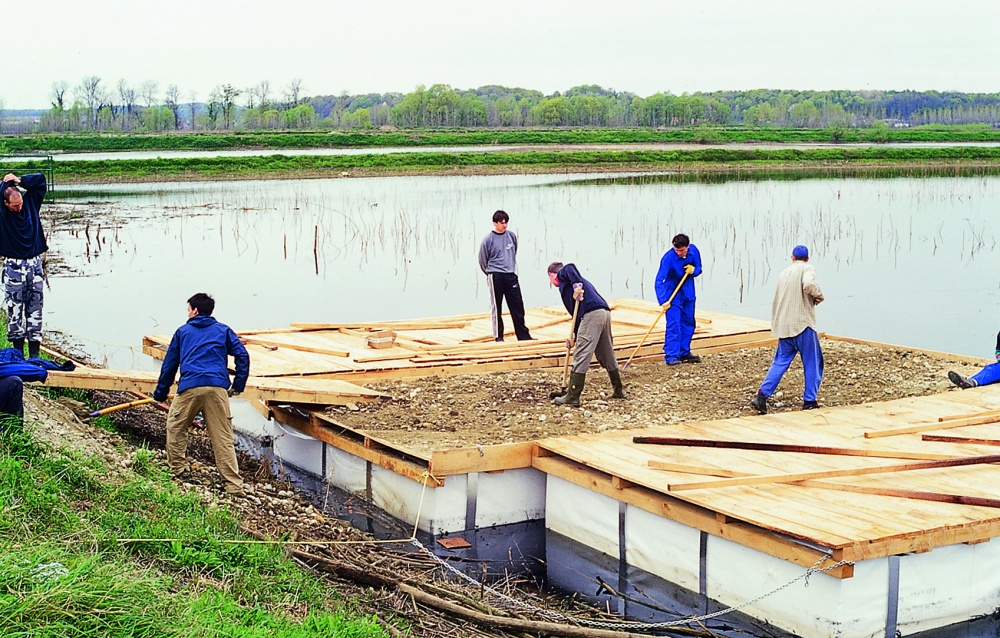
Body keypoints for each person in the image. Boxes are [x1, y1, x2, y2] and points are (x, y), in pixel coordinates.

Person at [153, 293, 250, 498]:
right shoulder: (223, 330)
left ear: (195, 310)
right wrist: (238, 385)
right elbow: (242, 355)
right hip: (217, 389)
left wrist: (160, 393)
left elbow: (169, 365)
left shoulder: (182, 332)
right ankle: (233, 486)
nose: (187, 313)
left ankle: (178, 470)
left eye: (188, 309)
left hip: (190, 387)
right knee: (223, 437)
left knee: (176, 426)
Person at [751, 245, 824, 414]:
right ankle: (809, 400)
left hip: (784, 325)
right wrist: (818, 296)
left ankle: (762, 395)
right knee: (813, 362)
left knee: (780, 361)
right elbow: (809, 284)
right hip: (803, 324)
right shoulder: (807, 268)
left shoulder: (784, 273)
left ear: (792, 257)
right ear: (807, 258)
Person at [547, 262, 625, 406]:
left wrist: (577, 285)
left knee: (581, 354)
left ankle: (573, 396)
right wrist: (575, 337)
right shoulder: (568, 285)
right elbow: (577, 317)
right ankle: (618, 389)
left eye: (550, 279)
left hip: (592, 314)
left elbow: (570, 267)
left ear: (552, 275)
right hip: (603, 312)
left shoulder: (564, 274)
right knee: (606, 352)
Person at [0, 173, 49, 359]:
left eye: (20, 203)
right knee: (14, 310)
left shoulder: (30, 204)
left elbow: (41, 181)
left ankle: (35, 354)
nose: (19, 207)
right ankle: (18, 353)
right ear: (6, 204)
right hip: (13, 265)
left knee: (35, 307)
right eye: (15, 206)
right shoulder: (3, 215)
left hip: (34, 263)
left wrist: (19, 180)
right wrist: (5, 184)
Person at [479, 210, 532, 342]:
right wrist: (490, 273)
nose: (504, 225)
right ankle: (498, 336)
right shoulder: (488, 240)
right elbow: (482, 260)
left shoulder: (511, 236)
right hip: (495, 275)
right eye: (501, 223)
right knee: (497, 306)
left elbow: (514, 252)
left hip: (510, 274)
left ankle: (523, 335)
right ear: (495, 223)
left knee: (517, 305)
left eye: (506, 222)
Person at [655, 233, 703, 365]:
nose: (679, 253)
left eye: (681, 250)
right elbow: (659, 280)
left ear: (687, 246)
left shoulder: (694, 251)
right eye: (676, 250)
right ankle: (671, 356)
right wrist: (663, 299)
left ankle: (684, 352)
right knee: (674, 324)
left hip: (688, 293)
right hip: (673, 295)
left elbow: (699, 268)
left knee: (688, 323)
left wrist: (694, 270)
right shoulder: (668, 258)